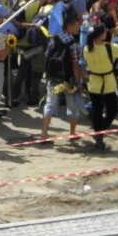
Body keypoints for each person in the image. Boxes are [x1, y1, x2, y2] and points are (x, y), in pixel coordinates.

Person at [82, 21, 118, 151]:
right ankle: (100, 133)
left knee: (97, 112)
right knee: (112, 111)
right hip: (108, 84)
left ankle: (98, 135)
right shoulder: (108, 48)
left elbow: (105, 50)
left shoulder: (87, 48)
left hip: (94, 84)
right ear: (101, 35)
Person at [40, 8, 84, 142]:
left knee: (50, 106)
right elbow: (76, 64)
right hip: (70, 80)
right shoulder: (74, 44)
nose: (79, 27)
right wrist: (79, 82)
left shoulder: (54, 40)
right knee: (73, 108)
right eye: (77, 25)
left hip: (54, 77)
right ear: (70, 26)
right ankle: (72, 134)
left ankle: (44, 135)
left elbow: (47, 56)